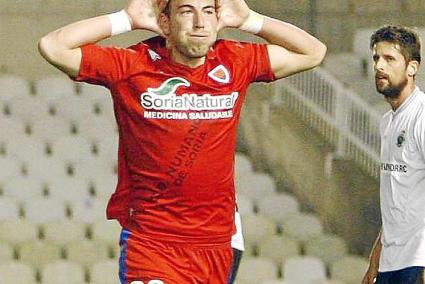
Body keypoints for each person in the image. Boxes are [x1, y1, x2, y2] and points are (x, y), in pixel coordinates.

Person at [38, 0, 326, 283]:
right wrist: (125, 19)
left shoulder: (236, 60)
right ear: (165, 22)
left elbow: (313, 52)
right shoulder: (130, 65)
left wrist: (250, 19)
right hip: (152, 241)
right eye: (187, 11)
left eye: (209, 12)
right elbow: (53, 47)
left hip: (217, 242)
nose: (200, 23)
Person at [362, 25, 425, 284]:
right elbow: (394, 204)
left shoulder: (421, 117)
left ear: (412, 67)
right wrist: (375, 263)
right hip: (391, 263)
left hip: (418, 260)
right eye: (377, 58)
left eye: (389, 59)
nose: (379, 66)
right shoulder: (387, 122)